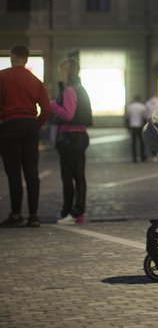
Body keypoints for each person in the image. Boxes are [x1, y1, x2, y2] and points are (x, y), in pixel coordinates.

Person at [0, 45, 51, 227]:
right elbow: (46, 109)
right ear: (27, 59)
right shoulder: (36, 81)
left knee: (13, 173)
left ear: (12, 56)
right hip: (30, 125)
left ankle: (15, 214)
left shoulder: (2, 76)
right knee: (31, 172)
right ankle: (33, 216)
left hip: (10, 125)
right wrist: (36, 125)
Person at [50, 58, 92, 225]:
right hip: (80, 136)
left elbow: (68, 114)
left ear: (66, 72)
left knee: (68, 177)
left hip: (69, 138)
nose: (60, 74)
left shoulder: (69, 90)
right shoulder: (81, 89)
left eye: (61, 71)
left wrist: (53, 104)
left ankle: (69, 212)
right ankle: (77, 213)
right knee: (79, 177)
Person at [126, 95, 147, 163]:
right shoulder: (142, 107)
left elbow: (128, 116)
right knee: (142, 142)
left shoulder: (130, 107)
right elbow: (144, 117)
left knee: (134, 143)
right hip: (140, 126)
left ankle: (134, 158)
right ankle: (142, 157)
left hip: (133, 126)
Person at [145, 94, 158, 161]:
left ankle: (154, 155)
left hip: (150, 122)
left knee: (152, 138)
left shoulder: (148, 103)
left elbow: (146, 114)